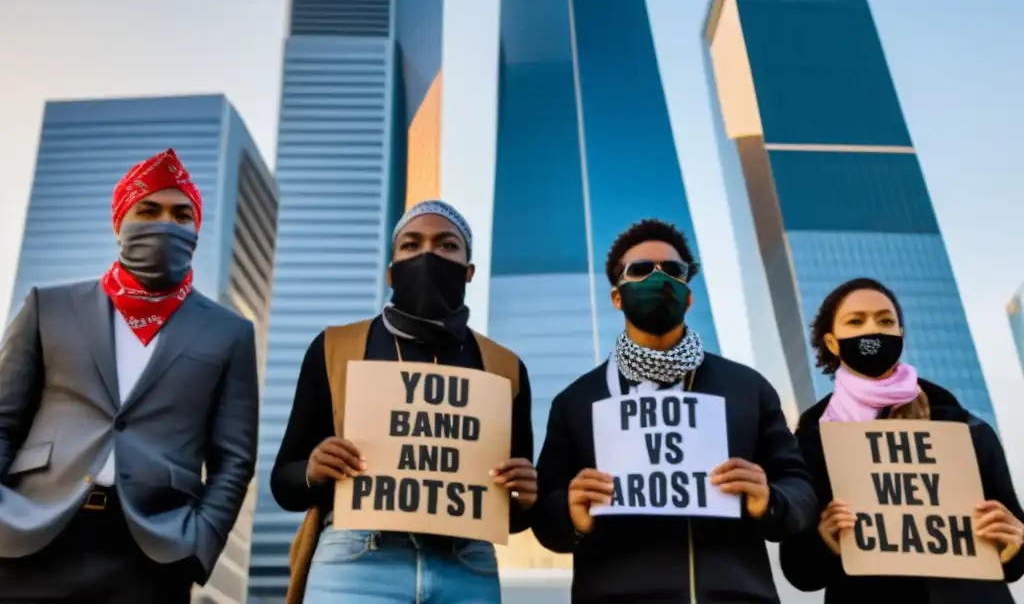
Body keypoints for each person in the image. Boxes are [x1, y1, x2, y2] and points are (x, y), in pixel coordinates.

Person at [0, 148, 260, 604]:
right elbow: (3, 419)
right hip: (30, 531)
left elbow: (234, 459)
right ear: (121, 220)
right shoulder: (50, 304)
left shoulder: (230, 332)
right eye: (149, 209)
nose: (166, 223)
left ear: (196, 229)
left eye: (182, 215)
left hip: (151, 554)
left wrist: (198, 545)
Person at [530, 218, 817, 603]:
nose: (658, 277)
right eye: (641, 270)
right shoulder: (577, 401)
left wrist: (770, 501)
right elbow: (547, 517)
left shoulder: (748, 389)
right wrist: (569, 513)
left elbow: (799, 488)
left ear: (688, 295)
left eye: (673, 270)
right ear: (617, 296)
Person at [273, 199, 536, 604]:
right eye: (411, 244)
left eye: (447, 244)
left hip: (466, 568)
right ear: (392, 272)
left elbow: (513, 514)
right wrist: (312, 469)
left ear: (469, 272)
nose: (428, 254)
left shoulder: (505, 367)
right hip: (356, 565)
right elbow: (284, 484)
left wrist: (526, 496)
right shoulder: (335, 348)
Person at [779, 277, 1024, 603]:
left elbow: (1013, 562)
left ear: (900, 334)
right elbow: (800, 574)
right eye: (855, 321)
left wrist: (1014, 541)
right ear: (833, 343)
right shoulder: (812, 441)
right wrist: (823, 540)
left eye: (885, 320)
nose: (872, 331)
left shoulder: (966, 428)